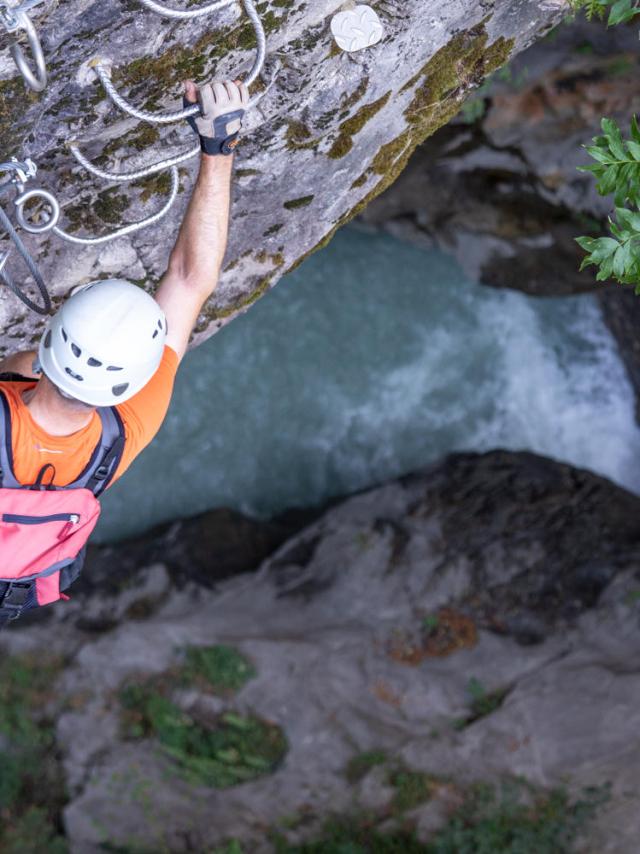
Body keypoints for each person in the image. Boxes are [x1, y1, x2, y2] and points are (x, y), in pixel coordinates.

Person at [0, 78, 249, 626]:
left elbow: (189, 280)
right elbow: (190, 281)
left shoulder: (18, 386)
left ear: (49, 344)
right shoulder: (124, 433)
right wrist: (218, 150)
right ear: (132, 380)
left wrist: (218, 144)